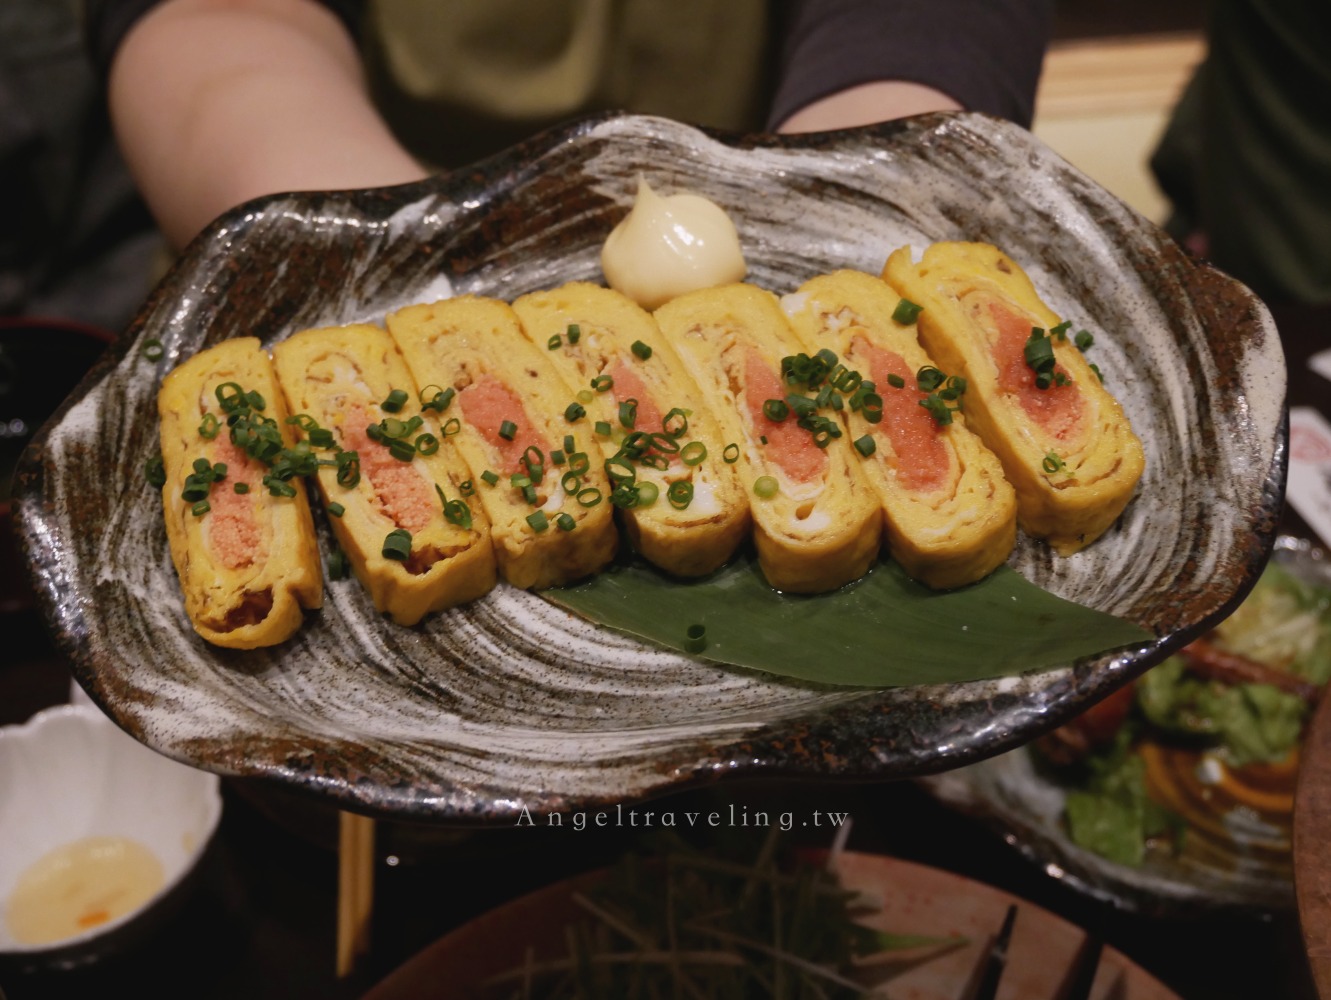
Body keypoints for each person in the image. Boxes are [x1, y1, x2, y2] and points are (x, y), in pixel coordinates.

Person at [86, 0, 1053, 250]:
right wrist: (405, 267)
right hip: (337, 200)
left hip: (770, 192)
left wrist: (843, 211)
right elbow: (221, 19)